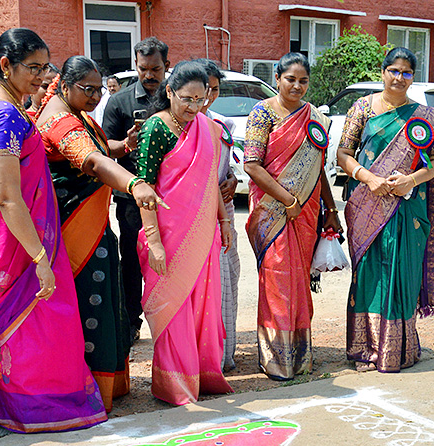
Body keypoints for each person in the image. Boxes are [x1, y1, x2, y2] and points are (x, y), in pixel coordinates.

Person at [0, 28, 107, 433]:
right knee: (35, 320)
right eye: (33, 68)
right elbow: (8, 196)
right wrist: (40, 258)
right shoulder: (4, 113)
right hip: (11, 238)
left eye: (46, 68)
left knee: (13, 322)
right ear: (6, 64)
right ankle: (28, 406)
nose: (43, 77)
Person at [36, 55, 161, 410]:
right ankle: (85, 389)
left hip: (90, 224)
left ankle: (103, 384)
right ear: (64, 85)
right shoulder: (60, 120)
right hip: (75, 229)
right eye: (86, 89)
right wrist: (134, 182)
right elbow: (89, 161)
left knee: (104, 297)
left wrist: (124, 146)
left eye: (97, 89)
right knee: (89, 302)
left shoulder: (75, 114)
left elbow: (100, 152)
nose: (94, 96)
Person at [335, 47, 434, 373]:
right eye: (393, 70)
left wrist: (411, 180)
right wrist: (368, 178)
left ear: (412, 77)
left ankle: (398, 348)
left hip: (407, 208)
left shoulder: (423, 116)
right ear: (383, 71)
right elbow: (343, 154)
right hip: (367, 204)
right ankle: (366, 348)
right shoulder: (362, 108)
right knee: (370, 276)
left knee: (402, 275)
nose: (399, 78)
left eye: (406, 72)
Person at [135, 62, 233, 405]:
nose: (193, 108)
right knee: (173, 307)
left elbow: (211, 185)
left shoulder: (207, 128)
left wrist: (225, 222)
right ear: (169, 93)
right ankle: (174, 383)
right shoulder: (155, 129)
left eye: (200, 99)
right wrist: (154, 242)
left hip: (203, 233)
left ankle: (201, 374)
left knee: (201, 306)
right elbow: (144, 188)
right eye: (186, 99)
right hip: (167, 233)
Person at [242, 52, 340, 380]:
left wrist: (331, 210)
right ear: (277, 78)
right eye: (290, 79)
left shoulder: (314, 117)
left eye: (303, 81)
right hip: (274, 212)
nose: (297, 86)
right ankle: (276, 359)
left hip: (307, 212)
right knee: (276, 278)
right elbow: (252, 165)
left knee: (298, 279)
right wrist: (287, 200)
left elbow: (319, 170)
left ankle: (300, 355)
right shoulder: (262, 114)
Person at [103, 37, 169, 342]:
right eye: (144, 69)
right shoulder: (120, 102)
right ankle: (130, 322)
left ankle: (170, 320)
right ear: (136, 66)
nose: (149, 75)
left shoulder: (175, 99)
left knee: (170, 257)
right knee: (131, 259)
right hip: (132, 198)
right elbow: (104, 149)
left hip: (171, 195)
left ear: (166, 66)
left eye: (155, 69)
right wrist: (127, 143)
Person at [197, 58, 242, 372]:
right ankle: (196, 358)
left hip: (222, 212)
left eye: (214, 90)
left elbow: (232, 165)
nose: (208, 97)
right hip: (193, 215)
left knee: (227, 281)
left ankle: (223, 355)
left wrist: (232, 180)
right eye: (203, 90)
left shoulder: (224, 125)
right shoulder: (175, 125)